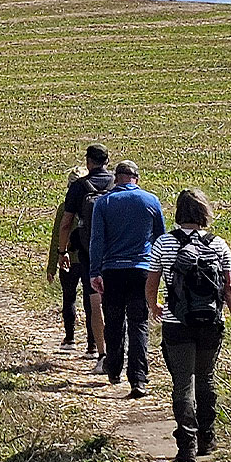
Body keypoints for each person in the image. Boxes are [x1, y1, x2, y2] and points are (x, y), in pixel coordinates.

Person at [147, 189, 231, 462]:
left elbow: (152, 283)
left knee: (182, 382)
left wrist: (155, 306)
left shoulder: (164, 244)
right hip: (211, 322)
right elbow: (229, 289)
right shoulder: (219, 245)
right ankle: (207, 438)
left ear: (178, 212)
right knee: (205, 378)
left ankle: (186, 447)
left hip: (176, 324)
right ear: (205, 212)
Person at [88, 160, 164, 399]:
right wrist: (160, 272)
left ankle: (114, 369)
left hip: (112, 270)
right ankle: (138, 378)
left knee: (114, 320)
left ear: (115, 178)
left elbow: (97, 240)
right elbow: (161, 239)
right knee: (138, 323)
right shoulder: (150, 201)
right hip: (142, 269)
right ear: (136, 179)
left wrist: (94, 271)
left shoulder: (104, 202)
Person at [48, 144, 113, 370]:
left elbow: (65, 224)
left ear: (88, 162)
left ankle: (101, 353)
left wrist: (62, 252)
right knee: (116, 304)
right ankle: (117, 351)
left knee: (93, 302)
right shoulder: (118, 184)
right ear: (108, 161)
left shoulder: (78, 187)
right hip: (116, 253)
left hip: (88, 254)